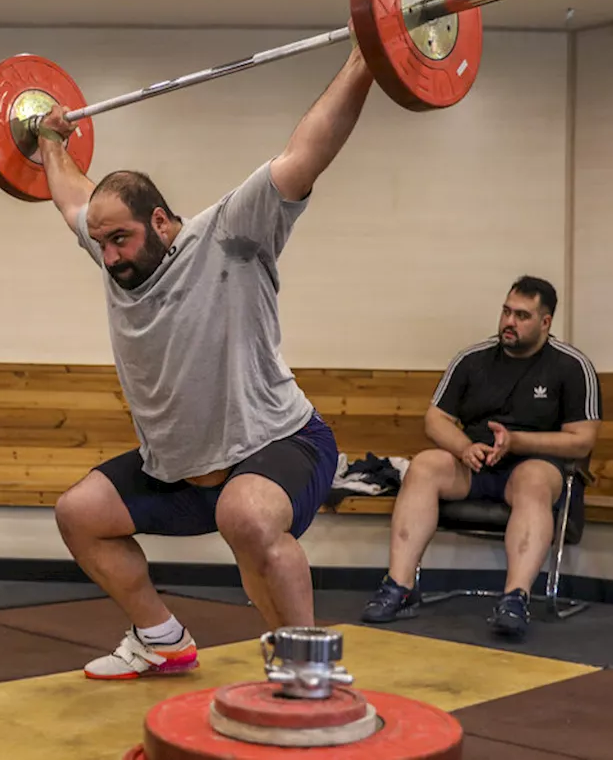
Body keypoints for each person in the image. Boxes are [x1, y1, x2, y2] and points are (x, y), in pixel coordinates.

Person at [32, 46, 375, 680]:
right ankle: (160, 638)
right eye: (100, 242)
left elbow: (306, 154)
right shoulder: (116, 252)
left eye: (120, 239)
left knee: (243, 516)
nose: (108, 257)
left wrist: (366, 60)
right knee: (79, 515)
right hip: (181, 473)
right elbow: (71, 200)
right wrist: (51, 141)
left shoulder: (231, 234)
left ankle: (309, 672)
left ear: (160, 220)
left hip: (279, 444)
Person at [361, 276, 602, 639]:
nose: (509, 321)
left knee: (535, 481)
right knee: (425, 465)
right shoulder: (472, 360)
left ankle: (514, 598)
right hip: (473, 463)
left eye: (522, 315)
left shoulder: (571, 366)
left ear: (545, 322)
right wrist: (462, 447)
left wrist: (518, 441)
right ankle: (400, 586)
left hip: (532, 466)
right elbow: (436, 419)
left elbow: (582, 440)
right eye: (506, 311)